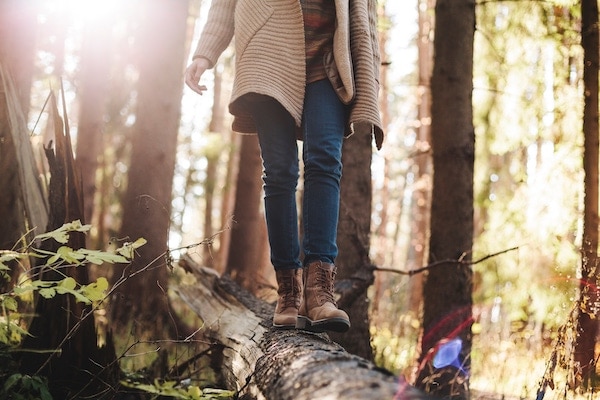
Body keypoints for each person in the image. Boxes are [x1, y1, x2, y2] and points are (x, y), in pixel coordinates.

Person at [184, 0, 384, 333]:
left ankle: (319, 292)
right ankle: (289, 292)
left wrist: (370, 78)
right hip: (267, 53)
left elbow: (366, 15)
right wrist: (205, 53)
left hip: (329, 57)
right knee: (279, 171)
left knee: (324, 161)